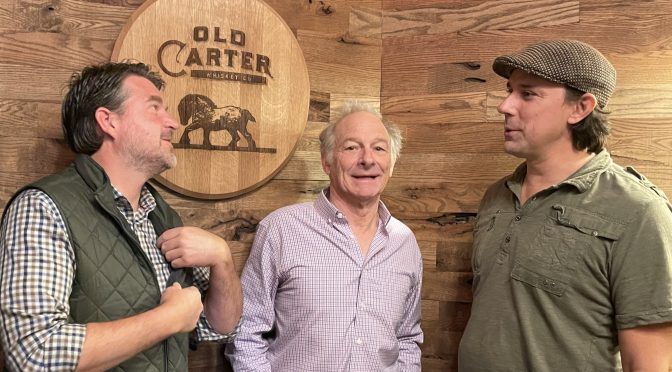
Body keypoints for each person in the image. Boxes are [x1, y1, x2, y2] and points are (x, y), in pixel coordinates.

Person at [0, 62, 243, 371]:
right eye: (154, 108)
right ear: (108, 121)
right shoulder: (43, 207)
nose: (173, 123)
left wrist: (222, 260)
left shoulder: (161, 215)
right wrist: (168, 319)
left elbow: (218, 327)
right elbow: (34, 354)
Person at [458, 39, 672, 370]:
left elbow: (649, 362)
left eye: (527, 94)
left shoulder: (639, 211)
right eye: (509, 90)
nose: (505, 106)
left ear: (580, 107)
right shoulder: (497, 196)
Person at [225, 102, 423, 371]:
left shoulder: (405, 242)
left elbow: (408, 339)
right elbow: (245, 333)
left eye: (379, 148)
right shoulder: (282, 229)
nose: (367, 159)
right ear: (327, 162)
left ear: (391, 164)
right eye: (352, 147)